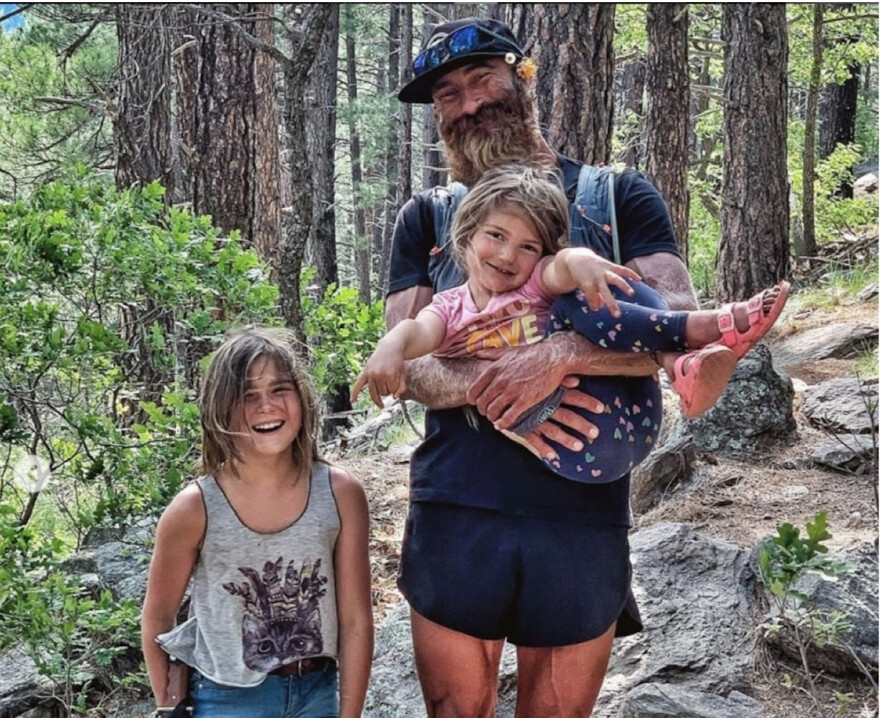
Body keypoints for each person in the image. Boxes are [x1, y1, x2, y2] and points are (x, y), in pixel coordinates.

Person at [387, 17, 790, 718]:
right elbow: (406, 364)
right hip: (457, 500)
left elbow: (674, 323)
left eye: (482, 79)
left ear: (524, 77)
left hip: (582, 505)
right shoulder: (426, 219)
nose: (469, 103)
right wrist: (498, 388)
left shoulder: (616, 197)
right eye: (448, 95)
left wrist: (562, 355)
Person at [354, 164, 789, 482]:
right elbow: (418, 332)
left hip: (631, 418)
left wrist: (582, 261)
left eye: (528, 247)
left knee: (588, 292)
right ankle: (685, 344)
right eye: (496, 236)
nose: (508, 256)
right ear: (465, 237)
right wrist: (391, 347)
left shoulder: (533, 283)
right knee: (523, 395)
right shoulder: (451, 308)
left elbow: (562, 266)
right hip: (577, 446)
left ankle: (694, 342)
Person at [141, 327, 372, 718]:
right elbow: (157, 618)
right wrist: (168, 706)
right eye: (247, 395)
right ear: (220, 409)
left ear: (302, 397)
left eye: (280, 389)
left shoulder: (340, 494)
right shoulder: (194, 508)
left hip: (318, 693)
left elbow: (355, 621)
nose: (266, 405)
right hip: (225, 698)